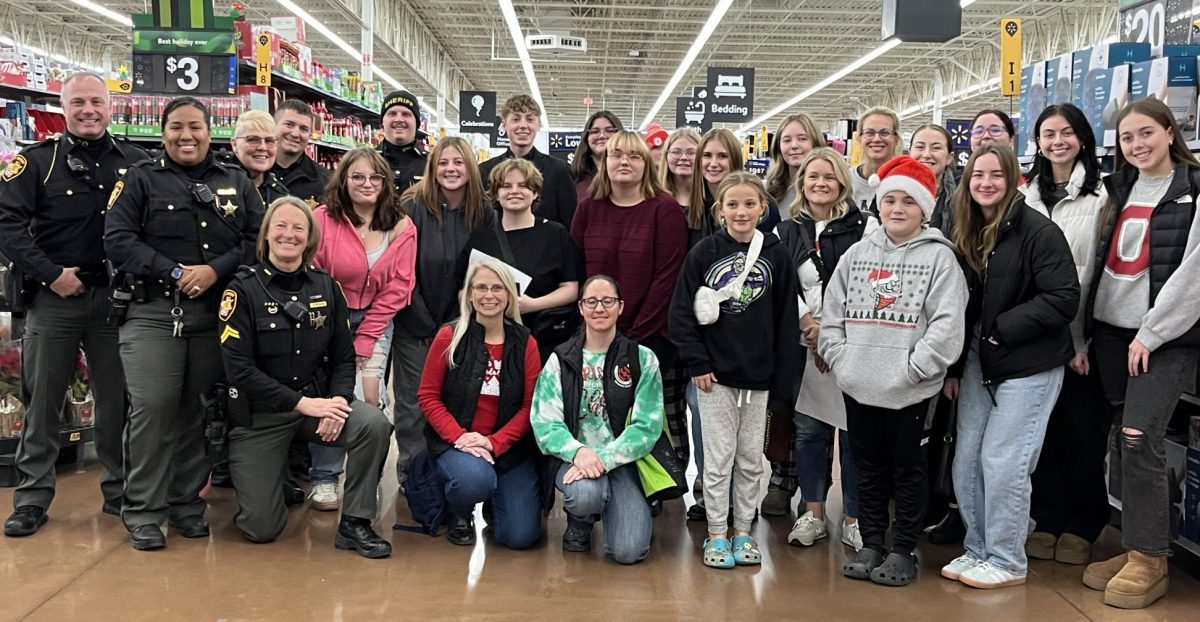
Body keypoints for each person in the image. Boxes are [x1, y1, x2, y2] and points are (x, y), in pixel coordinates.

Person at [104, 96, 265, 550]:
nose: (186, 135)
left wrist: (214, 270)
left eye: (195, 126)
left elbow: (258, 238)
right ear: (163, 131)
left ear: (210, 131)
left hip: (215, 314)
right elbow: (117, 240)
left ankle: (185, 505)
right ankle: (144, 510)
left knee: (195, 407)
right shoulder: (140, 179)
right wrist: (173, 271)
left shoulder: (235, 181)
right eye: (176, 127)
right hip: (153, 311)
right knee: (153, 407)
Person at [0, 72, 148, 537]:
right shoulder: (37, 163)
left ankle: (119, 490)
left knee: (115, 402)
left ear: (111, 107)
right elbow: (6, 225)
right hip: (54, 299)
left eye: (97, 102)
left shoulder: (138, 162)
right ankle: (31, 498)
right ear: (63, 107)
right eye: (79, 102)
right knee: (41, 401)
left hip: (116, 303)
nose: (89, 110)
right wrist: (50, 274)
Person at [820, 155, 968, 587]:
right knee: (867, 467)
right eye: (890, 200)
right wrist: (842, 361)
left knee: (908, 469)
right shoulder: (857, 255)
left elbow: (946, 323)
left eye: (908, 201)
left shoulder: (941, 259)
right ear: (878, 205)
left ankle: (903, 548)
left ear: (924, 208)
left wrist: (916, 367)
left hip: (911, 389)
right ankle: (871, 542)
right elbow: (832, 313)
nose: (898, 208)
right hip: (859, 384)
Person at [218, 197, 393, 558]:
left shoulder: (326, 287)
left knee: (373, 423)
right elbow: (239, 370)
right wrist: (304, 404)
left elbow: (345, 357)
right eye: (280, 226)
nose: (289, 234)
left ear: (310, 238)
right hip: (261, 417)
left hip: (317, 407)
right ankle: (274, 481)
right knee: (260, 529)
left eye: (299, 228)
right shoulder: (242, 290)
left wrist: (339, 402)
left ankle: (355, 523)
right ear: (266, 234)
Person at [939, 145, 1078, 588]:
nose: (985, 183)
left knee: (1004, 461)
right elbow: (962, 307)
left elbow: (1063, 298)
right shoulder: (968, 230)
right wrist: (956, 367)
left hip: (1029, 362)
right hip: (981, 359)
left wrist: (1001, 329)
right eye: (977, 175)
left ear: (1013, 178)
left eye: (996, 175)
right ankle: (977, 549)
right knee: (967, 458)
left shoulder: (1039, 230)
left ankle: (1006, 559)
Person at [1081, 99, 1200, 610]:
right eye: (1127, 138)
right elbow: (1098, 263)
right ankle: (1135, 545)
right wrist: (1084, 333)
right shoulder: (1119, 189)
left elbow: (1194, 273)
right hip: (1110, 334)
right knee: (1119, 438)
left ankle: (1152, 559)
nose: (1138, 145)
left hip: (1164, 339)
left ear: (1171, 132)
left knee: (1139, 437)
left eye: (1147, 133)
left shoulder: (1193, 190)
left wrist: (1152, 333)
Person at [669, 172, 800, 569]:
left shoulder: (776, 254)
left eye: (749, 204)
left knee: (749, 460)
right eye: (732, 204)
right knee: (718, 460)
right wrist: (698, 361)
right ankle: (715, 534)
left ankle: (743, 531)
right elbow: (681, 313)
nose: (741, 212)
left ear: (763, 208)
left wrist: (782, 382)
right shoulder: (704, 253)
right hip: (715, 379)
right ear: (720, 209)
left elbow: (786, 322)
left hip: (759, 380)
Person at [773, 147, 876, 550]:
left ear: (842, 184)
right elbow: (783, 286)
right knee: (809, 432)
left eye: (829, 177)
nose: (820, 183)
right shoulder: (785, 231)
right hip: (804, 346)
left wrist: (831, 332)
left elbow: (868, 283)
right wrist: (810, 327)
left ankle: (854, 515)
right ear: (802, 182)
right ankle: (812, 512)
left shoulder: (867, 228)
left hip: (850, 345)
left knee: (854, 434)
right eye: (813, 176)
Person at [1019, 104, 1108, 568]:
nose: (1057, 141)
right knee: (1043, 432)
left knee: (1082, 431)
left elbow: (1095, 274)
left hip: (1078, 341)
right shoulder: (1025, 196)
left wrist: (1081, 341)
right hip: (1033, 337)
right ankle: (1047, 516)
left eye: (1066, 132)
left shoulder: (1102, 197)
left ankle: (1082, 522)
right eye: (1048, 133)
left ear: (1082, 138)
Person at [571, 130, 688, 467]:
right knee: (597, 413)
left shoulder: (663, 209)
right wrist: (595, 325)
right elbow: (578, 269)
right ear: (603, 162)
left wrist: (631, 339)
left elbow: (668, 277)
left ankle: (652, 487)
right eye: (616, 155)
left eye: (634, 156)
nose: (624, 162)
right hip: (594, 334)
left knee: (647, 414)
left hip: (650, 337)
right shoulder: (588, 208)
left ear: (647, 164)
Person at [309, 148, 417, 510]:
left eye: (375, 177)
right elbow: (315, 274)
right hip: (327, 318)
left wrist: (367, 335)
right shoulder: (322, 219)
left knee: (370, 400)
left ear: (386, 183)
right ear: (343, 180)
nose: (367, 184)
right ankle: (324, 477)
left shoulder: (401, 225)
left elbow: (399, 286)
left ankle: (363, 480)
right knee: (333, 397)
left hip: (377, 318)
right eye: (358, 176)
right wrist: (340, 332)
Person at [531, 275, 664, 563]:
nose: (599, 308)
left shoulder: (643, 359)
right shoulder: (560, 359)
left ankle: (632, 511)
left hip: (623, 463)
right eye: (591, 301)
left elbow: (646, 427)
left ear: (621, 307)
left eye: (608, 301)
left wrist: (603, 458)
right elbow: (544, 422)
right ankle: (581, 520)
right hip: (575, 461)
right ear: (580, 308)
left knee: (628, 552)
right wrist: (578, 452)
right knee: (585, 495)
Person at [392, 136, 497, 490]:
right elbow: (401, 270)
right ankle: (413, 477)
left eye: (458, 163)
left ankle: (449, 474)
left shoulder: (485, 212)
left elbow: (487, 273)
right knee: (411, 406)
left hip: (462, 329)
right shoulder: (410, 207)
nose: (450, 169)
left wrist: (458, 323)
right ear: (432, 168)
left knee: (453, 403)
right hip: (414, 323)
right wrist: (421, 318)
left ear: (470, 168)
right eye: (443, 163)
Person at [417, 258, 542, 549]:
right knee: (474, 479)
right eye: (481, 288)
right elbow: (428, 396)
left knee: (520, 537)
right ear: (470, 295)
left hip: (507, 449)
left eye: (498, 288)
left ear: (510, 295)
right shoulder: (449, 335)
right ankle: (459, 509)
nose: (489, 295)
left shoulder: (526, 342)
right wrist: (461, 438)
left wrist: (494, 443)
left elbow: (530, 406)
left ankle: (494, 501)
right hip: (456, 443)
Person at [760, 112, 827, 518]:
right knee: (785, 405)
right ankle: (782, 478)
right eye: (787, 139)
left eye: (803, 137)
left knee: (823, 412)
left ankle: (816, 490)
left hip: (826, 322)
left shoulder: (840, 199)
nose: (795, 145)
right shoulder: (771, 196)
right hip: (786, 317)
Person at [473, 158, 581, 359]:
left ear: (535, 192)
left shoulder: (556, 234)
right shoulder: (481, 238)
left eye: (523, 186)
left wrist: (532, 305)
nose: (515, 191)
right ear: (496, 194)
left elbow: (571, 288)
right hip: (491, 341)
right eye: (506, 186)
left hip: (544, 340)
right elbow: (465, 290)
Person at [480, 94, 577, 229]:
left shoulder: (560, 171)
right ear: (504, 124)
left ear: (539, 125)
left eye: (530, 119)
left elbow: (569, 222)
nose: (523, 125)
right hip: (495, 248)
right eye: (516, 119)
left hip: (546, 248)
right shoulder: (484, 171)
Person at [689, 128, 780, 247]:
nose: (713, 163)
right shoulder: (693, 207)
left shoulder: (763, 204)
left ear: (735, 159)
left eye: (722, 156)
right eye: (707, 155)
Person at [221, 110, 290, 204]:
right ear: (234, 144)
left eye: (269, 141)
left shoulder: (281, 195)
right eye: (253, 140)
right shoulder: (215, 183)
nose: (263, 147)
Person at [272, 99, 330, 206]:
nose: (295, 134)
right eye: (289, 125)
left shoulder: (326, 181)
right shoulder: (253, 172)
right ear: (274, 126)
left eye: (304, 129)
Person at [765, 113, 827, 208]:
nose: (794, 145)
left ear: (815, 143)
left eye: (802, 139)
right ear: (778, 147)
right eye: (787, 140)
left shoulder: (829, 189)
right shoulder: (767, 191)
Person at [850, 107, 901, 214]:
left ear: (896, 139)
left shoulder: (907, 181)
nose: (877, 139)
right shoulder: (845, 180)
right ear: (859, 139)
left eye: (885, 132)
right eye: (869, 133)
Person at [909, 123, 958, 235]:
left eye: (936, 148)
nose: (926, 154)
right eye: (920, 147)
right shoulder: (893, 189)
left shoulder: (965, 193)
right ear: (910, 153)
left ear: (949, 157)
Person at [378, 89, 427, 195]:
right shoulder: (366, 161)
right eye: (392, 114)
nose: (399, 119)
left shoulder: (432, 164)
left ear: (417, 123)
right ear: (382, 122)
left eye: (406, 114)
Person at [570, 111, 623, 201]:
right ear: (586, 138)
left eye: (609, 130)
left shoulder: (632, 171)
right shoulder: (574, 175)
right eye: (595, 131)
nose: (602, 136)